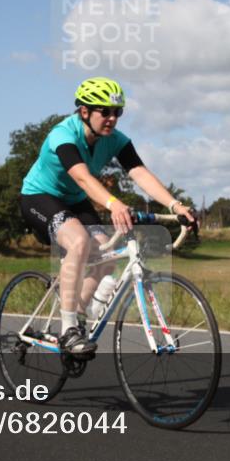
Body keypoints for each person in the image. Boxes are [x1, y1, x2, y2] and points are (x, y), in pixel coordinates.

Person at [20, 77, 195, 357]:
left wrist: (175, 205)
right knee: (78, 241)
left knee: (109, 251)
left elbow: (139, 172)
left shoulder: (114, 140)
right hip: (40, 197)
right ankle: (68, 331)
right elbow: (82, 177)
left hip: (75, 202)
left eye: (118, 113)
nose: (112, 119)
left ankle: (77, 315)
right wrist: (114, 203)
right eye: (106, 112)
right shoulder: (63, 134)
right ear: (85, 111)